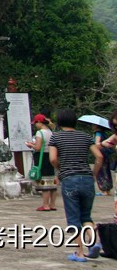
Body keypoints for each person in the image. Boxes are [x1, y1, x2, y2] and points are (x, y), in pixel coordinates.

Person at [49, 108, 104, 262]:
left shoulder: (56, 137)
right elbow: (99, 156)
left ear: (59, 122)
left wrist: (62, 169)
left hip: (69, 179)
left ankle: (79, 253)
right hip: (86, 178)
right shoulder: (85, 136)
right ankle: (94, 243)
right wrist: (94, 173)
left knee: (73, 218)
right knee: (86, 215)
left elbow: (53, 159)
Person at [26, 113, 57, 211]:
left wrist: (31, 145)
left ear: (39, 122)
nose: (35, 125)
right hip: (51, 155)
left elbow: (38, 148)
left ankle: (45, 205)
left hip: (42, 157)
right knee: (52, 181)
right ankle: (52, 204)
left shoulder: (40, 133)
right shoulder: (50, 132)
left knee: (45, 182)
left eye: (35, 123)